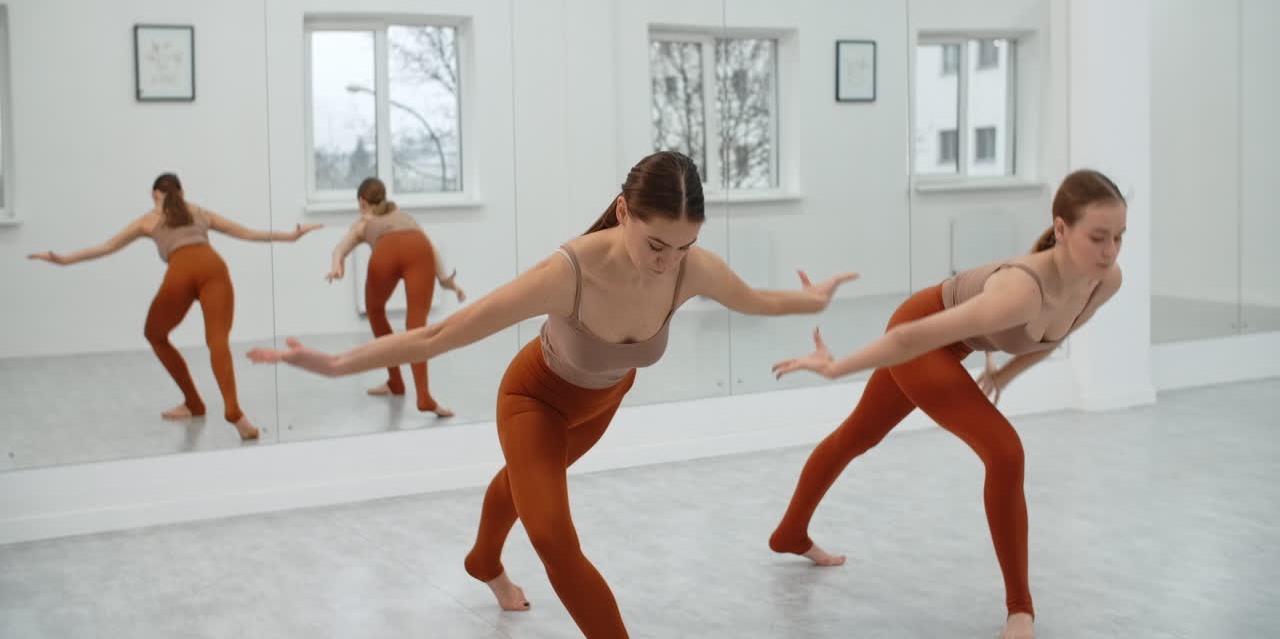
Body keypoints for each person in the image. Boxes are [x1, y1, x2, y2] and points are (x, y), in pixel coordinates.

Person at [248, 151, 859, 638]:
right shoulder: (571, 272)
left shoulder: (690, 266)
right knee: (553, 540)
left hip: (600, 405)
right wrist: (335, 363)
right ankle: (499, 568)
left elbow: (757, 300)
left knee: (522, 481)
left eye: (683, 247)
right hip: (535, 399)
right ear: (623, 212)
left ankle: (482, 561)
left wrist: (814, 301)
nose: (667, 263)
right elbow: (440, 333)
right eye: (656, 245)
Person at [768, 169, 1127, 639]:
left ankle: (790, 533)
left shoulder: (1104, 282)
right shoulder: (1020, 291)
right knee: (1005, 452)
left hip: (952, 345)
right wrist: (836, 367)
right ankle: (1020, 610)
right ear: (1060, 228)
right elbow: (910, 338)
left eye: (1119, 237)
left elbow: (1055, 335)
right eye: (1098, 237)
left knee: (858, 435)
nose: (1110, 251)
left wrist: (1003, 374)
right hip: (920, 334)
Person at [28, 173, 321, 440]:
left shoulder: (148, 220)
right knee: (218, 341)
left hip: (180, 272)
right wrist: (290, 237)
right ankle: (235, 413)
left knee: (155, 334)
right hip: (213, 267)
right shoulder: (199, 212)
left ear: (156, 195)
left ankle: (194, 402)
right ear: (182, 192)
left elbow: (106, 247)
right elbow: (247, 233)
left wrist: (63, 260)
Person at [326, 177, 465, 416]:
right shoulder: (406, 218)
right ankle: (424, 396)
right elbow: (430, 247)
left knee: (375, 311)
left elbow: (339, 250)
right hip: (419, 248)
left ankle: (396, 381)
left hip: (387, 252)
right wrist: (445, 280)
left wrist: (337, 268)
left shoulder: (362, 223)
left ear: (362, 202)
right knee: (417, 327)